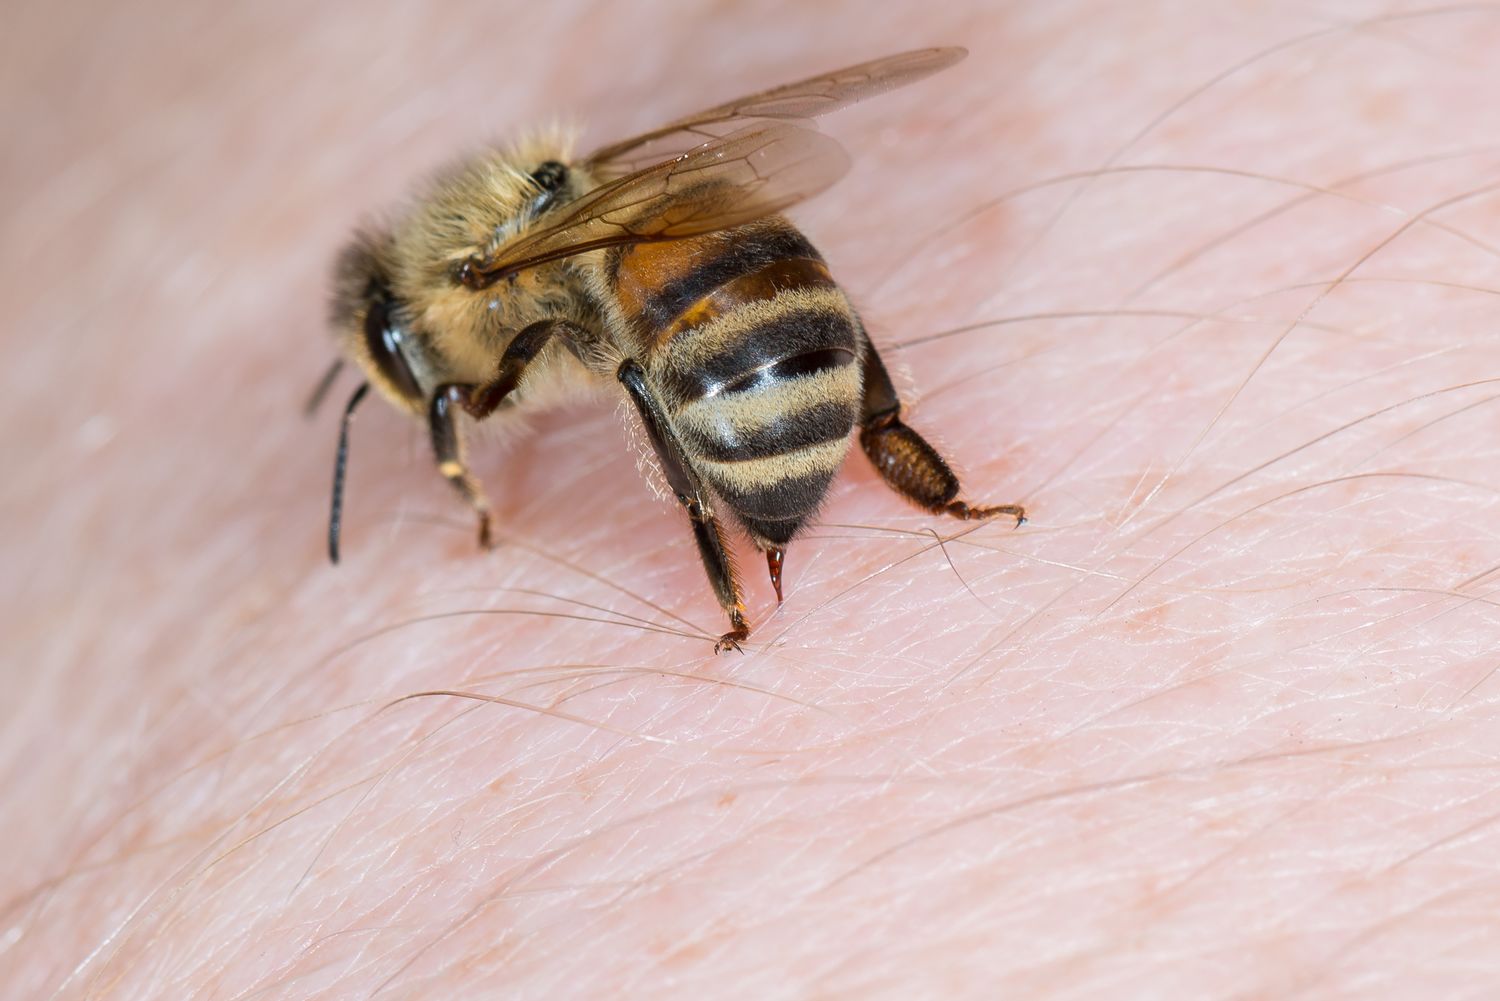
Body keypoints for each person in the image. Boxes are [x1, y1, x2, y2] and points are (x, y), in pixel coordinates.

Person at [7, 3, 1499, 996]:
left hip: (724, 345)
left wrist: (464, 469)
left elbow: (560, 365)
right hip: (747, 285)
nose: (427, 391)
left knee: (667, 353)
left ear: (428, 296)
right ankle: (917, 482)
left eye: (413, 373)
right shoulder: (571, 209)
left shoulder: (485, 291)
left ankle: (737, 575)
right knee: (704, 318)